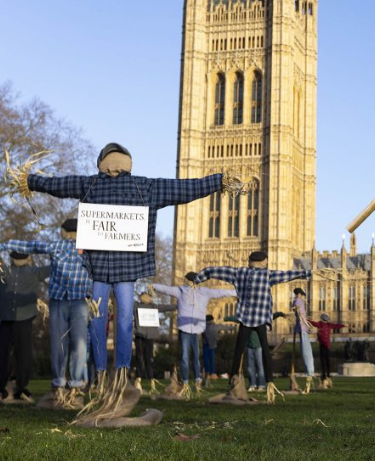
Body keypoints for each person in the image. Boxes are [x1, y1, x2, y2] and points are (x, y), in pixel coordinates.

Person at [21, 142, 229, 419]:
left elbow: (59, 185)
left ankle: (105, 375)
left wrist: (29, 181)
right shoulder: (143, 186)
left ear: (102, 163)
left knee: (99, 319)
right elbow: (186, 189)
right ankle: (117, 375)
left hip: (102, 268)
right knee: (121, 321)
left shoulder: (92, 185)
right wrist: (219, 181)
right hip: (123, 268)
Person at [190, 251, 311, 394]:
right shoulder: (267, 275)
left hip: (245, 318)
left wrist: (198, 279)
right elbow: (287, 275)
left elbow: (214, 271)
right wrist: (308, 273)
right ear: (262, 262)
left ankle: (233, 381)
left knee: (238, 351)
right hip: (260, 318)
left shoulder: (239, 272)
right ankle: (270, 383)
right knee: (265, 351)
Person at [1, 220, 91, 405]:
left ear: (63, 231)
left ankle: (72, 388)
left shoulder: (88, 247)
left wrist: (5, 244)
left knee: (70, 345)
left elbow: (32, 246)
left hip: (78, 301)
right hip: (62, 300)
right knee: (69, 345)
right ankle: (62, 386)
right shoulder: (62, 246)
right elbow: (32, 246)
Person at [151, 273, 235, 388]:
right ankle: (185, 381)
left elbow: (220, 292)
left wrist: (237, 292)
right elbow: (167, 290)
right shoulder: (181, 291)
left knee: (196, 356)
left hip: (196, 329)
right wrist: (154, 286)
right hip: (185, 328)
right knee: (185, 356)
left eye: (186, 280)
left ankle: (197, 379)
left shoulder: (204, 292)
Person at [0, 251, 48, 402]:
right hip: (10, 319)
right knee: (18, 355)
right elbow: (54, 267)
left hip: (17, 319)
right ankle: (16, 388)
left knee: (11, 355)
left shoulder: (8, 271)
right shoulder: (8, 271)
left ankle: (18, 388)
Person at [308, 314, 345, 384]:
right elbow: (336, 326)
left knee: (324, 361)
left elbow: (314, 323)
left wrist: (308, 320)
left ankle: (325, 374)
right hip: (326, 345)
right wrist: (343, 325)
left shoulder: (321, 324)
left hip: (324, 345)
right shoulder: (327, 325)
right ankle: (326, 374)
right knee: (326, 360)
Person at [291, 289, 316, 378]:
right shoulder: (298, 301)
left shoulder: (297, 301)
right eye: (301, 295)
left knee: (305, 349)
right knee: (306, 350)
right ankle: (310, 371)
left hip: (302, 327)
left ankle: (309, 370)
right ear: (299, 294)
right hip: (302, 328)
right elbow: (300, 315)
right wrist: (307, 325)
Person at [203, 315, 221, 381]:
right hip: (210, 344)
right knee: (210, 359)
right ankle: (211, 373)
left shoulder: (205, 326)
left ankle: (209, 373)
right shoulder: (213, 326)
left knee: (207, 359)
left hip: (207, 344)